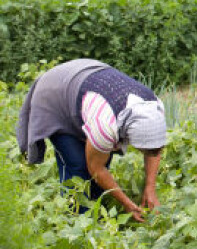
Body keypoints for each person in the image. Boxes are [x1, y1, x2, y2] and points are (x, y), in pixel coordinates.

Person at [16, 59, 167, 222]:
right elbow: (96, 168)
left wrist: (150, 189)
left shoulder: (154, 108)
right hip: (55, 94)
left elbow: (154, 150)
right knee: (77, 165)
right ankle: (76, 220)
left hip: (85, 81)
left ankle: (95, 210)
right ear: (129, 135)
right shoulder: (106, 124)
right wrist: (127, 204)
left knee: (102, 158)